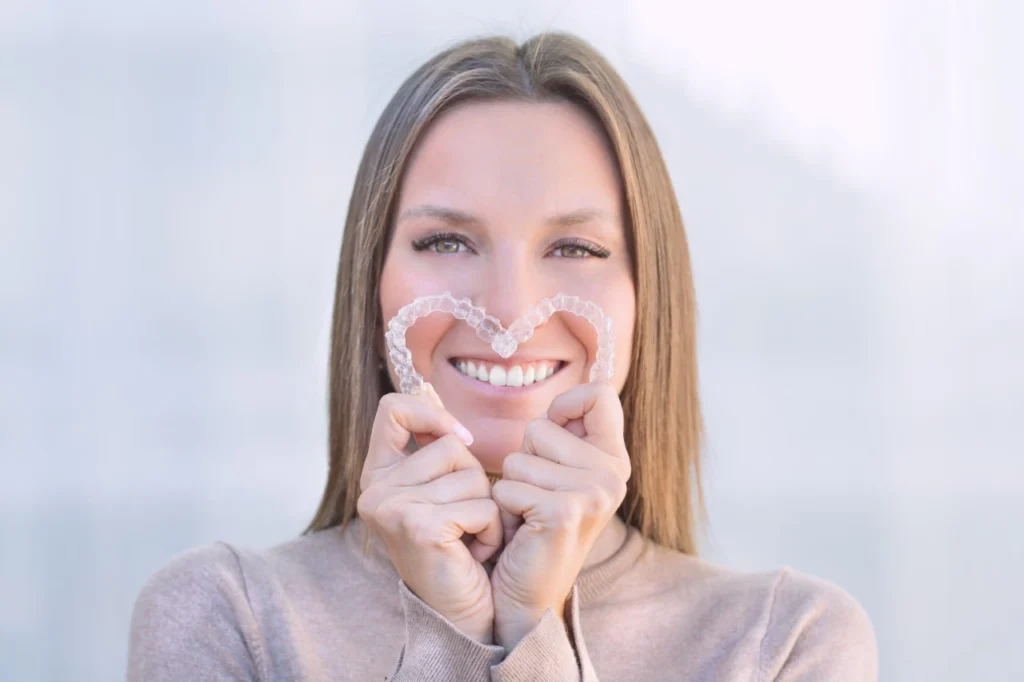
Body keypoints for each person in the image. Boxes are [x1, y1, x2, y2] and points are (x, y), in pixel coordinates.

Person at [127, 32, 878, 681]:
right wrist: (446, 625)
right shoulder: (227, 619)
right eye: (446, 241)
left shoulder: (785, 643)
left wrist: (529, 628)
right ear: (372, 280)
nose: (509, 309)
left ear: (650, 297)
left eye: (575, 247)